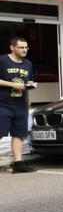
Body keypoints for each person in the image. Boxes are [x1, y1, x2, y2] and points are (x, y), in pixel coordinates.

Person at [0, 36, 36, 173]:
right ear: (12, 47)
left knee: (19, 134)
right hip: (3, 104)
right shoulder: (2, 60)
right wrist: (12, 84)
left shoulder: (28, 64)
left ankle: (18, 163)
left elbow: (29, 81)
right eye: (21, 47)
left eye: (26, 47)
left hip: (20, 104)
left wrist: (30, 86)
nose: (24, 50)